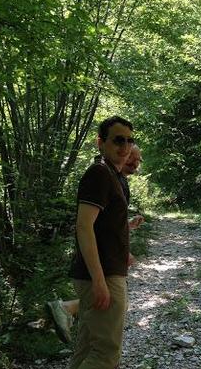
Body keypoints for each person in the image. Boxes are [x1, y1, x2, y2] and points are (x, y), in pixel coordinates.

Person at [31, 115, 135, 369]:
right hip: (100, 278)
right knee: (107, 354)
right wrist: (100, 279)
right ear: (100, 142)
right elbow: (83, 226)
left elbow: (106, 228)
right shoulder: (97, 174)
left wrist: (123, 252)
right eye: (117, 140)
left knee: (88, 349)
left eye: (128, 141)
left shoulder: (115, 176)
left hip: (107, 272)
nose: (124, 147)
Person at [46, 144, 144, 343]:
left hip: (109, 263)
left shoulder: (120, 181)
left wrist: (127, 225)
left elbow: (105, 224)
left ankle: (66, 310)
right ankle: (66, 308)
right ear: (120, 153)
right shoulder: (103, 175)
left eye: (139, 159)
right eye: (132, 157)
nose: (136, 162)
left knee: (111, 310)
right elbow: (86, 226)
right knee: (107, 345)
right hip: (101, 266)